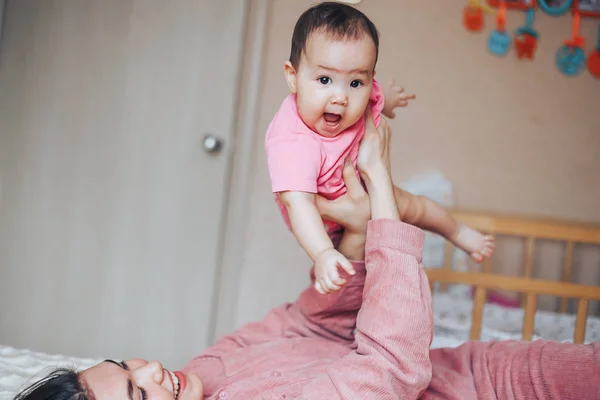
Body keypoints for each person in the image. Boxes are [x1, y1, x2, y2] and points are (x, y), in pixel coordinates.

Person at [14, 110, 599, 400]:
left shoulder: (203, 370)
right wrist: (384, 200)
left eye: (124, 364)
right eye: (140, 395)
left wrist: (349, 242)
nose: (148, 370)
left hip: (474, 366)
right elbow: (390, 369)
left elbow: (307, 322)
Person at [265, 2, 494, 295]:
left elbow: (376, 94)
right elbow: (298, 204)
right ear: (292, 76)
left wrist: (391, 101)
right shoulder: (292, 139)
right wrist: (322, 253)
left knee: (418, 207)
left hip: (367, 191)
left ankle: (456, 231)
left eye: (355, 82)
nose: (341, 97)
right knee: (349, 279)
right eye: (324, 80)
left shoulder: (364, 91)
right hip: (325, 219)